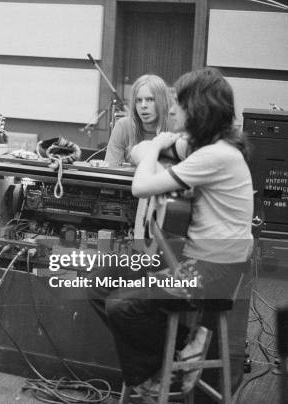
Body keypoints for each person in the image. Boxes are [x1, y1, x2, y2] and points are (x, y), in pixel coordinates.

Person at [89, 67, 253, 397]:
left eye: (179, 104)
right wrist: (156, 147)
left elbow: (141, 186)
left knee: (122, 305)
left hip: (212, 273)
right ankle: (179, 348)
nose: (172, 109)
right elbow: (140, 152)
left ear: (199, 109)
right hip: (189, 261)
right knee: (97, 282)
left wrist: (154, 147)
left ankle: (155, 377)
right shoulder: (203, 147)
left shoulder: (215, 155)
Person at [104, 74, 172, 166]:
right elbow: (111, 169)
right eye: (139, 100)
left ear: (163, 101)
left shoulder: (175, 128)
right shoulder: (123, 126)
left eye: (150, 99)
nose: (143, 105)